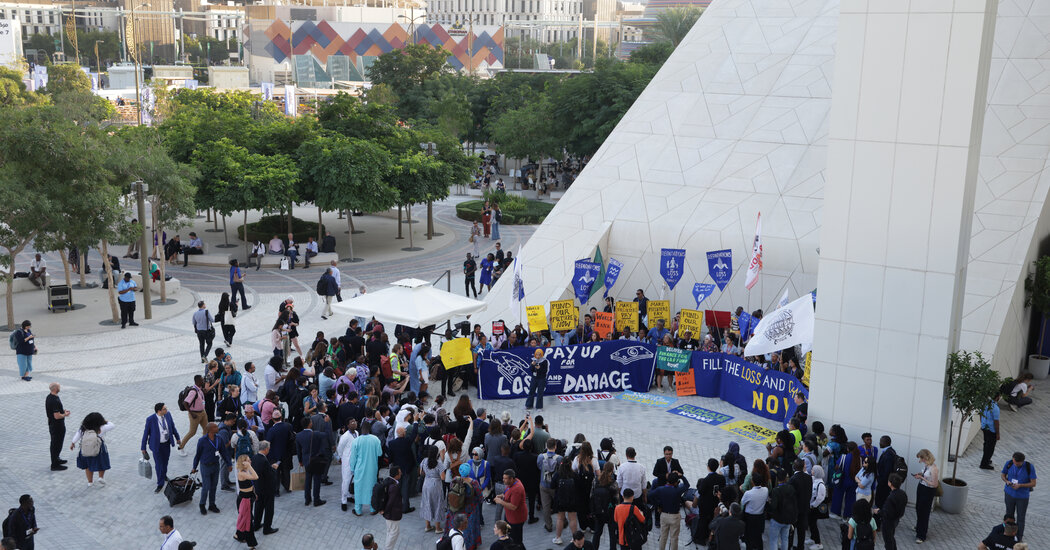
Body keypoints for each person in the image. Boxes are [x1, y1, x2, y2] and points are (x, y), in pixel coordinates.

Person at [141, 403, 182, 493]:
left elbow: (172, 427)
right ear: (159, 411)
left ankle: (163, 475)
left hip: (166, 444)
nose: (166, 410)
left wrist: (177, 438)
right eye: (164, 409)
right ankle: (160, 483)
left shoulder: (168, 415)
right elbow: (145, 434)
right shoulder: (150, 419)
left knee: (165, 461)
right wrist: (143, 448)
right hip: (157, 446)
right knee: (159, 464)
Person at [191, 422, 228, 515]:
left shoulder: (219, 439)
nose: (217, 427)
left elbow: (224, 451)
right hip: (205, 466)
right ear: (210, 430)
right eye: (215, 427)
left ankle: (212, 504)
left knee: (214, 486)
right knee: (206, 486)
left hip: (216, 465)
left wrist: (229, 464)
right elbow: (198, 454)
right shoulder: (202, 440)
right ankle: (202, 504)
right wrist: (194, 467)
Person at [649, 471, 690, 550]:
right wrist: (681, 476)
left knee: (663, 536)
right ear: (676, 482)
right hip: (675, 516)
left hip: (664, 515)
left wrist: (657, 504)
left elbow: (650, 495)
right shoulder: (678, 490)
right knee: (674, 538)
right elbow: (687, 485)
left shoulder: (660, 489)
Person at [71, 412, 114, 487]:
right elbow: (112, 425)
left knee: (88, 466)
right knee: (102, 463)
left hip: (86, 449)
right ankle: (101, 477)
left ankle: (90, 482)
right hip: (98, 449)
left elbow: (77, 436)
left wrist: (73, 443)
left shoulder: (83, 428)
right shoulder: (102, 428)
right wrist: (105, 421)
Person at [1001, 451, 1036, 540]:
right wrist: (1006, 481)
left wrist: (1020, 485)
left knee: (1021, 517)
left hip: (1022, 497)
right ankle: (1007, 533)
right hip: (1009, 493)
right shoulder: (1009, 463)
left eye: (1017, 464)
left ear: (1022, 462)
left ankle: (1018, 537)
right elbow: (1003, 475)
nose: (1015, 464)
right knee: (1009, 515)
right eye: (1014, 462)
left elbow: (1033, 483)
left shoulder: (1029, 467)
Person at [348, 426, 383, 515]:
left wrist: (352, 468)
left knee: (358, 489)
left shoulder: (356, 441)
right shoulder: (375, 439)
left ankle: (358, 510)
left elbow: (353, 458)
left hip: (359, 469)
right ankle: (372, 509)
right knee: (372, 489)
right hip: (372, 469)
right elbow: (380, 453)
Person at [295, 417, 328, 507]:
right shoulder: (316, 434)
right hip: (316, 460)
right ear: (310, 424)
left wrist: (300, 461)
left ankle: (307, 499)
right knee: (316, 480)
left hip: (306, 461)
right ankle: (316, 499)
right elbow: (326, 434)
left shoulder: (298, 435)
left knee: (307, 480)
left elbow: (298, 450)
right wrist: (326, 423)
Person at [251, 440, 279, 535]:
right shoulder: (264, 460)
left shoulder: (254, 458)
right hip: (267, 488)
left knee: (258, 506)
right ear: (266, 449)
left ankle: (256, 524)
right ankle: (267, 528)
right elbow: (270, 475)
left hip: (258, 487)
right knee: (269, 508)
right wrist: (274, 469)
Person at [912, 448, 939, 543]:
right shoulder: (927, 465)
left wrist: (922, 478)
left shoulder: (934, 468)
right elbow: (926, 475)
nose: (920, 461)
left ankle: (921, 535)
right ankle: (919, 526)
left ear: (925, 457)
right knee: (918, 507)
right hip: (921, 487)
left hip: (928, 490)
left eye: (921, 458)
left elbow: (935, 484)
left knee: (924, 511)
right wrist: (920, 475)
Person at [874, 473, 906, 550]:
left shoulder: (891, 497)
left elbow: (886, 513)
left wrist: (878, 512)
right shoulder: (902, 494)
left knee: (888, 541)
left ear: (890, 483)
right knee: (891, 537)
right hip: (896, 519)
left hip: (888, 522)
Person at [495, 469, 527, 543]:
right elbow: (508, 494)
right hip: (509, 516)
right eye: (503, 478)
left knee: (516, 541)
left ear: (511, 478)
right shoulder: (511, 483)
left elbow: (513, 506)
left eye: (505, 478)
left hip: (516, 518)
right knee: (509, 536)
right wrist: (502, 496)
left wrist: (501, 502)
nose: (503, 480)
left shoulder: (517, 489)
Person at [421, 445, 448, 532]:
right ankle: (438, 528)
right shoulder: (439, 464)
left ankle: (428, 526)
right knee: (438, 504)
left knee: (427, 503)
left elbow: (421, 472)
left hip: (426, 484)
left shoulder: (424, 461)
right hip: (436, 485)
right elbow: (443, 477)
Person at [43, 383, 68, 469]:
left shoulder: (49, 397)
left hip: (53, 424)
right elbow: (56, 416)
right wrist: (65, 414)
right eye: (59, 387)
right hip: (57, 426)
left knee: (57, 443)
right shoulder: (54, 401)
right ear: (55, 389)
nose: (60, 388)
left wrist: (62, 411)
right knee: (56, 443)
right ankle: (54, 464)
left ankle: (56, 458)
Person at [179, 375, 207, 451]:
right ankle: (181, 447)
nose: (203, 381)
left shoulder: (199, 389)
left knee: (206, 429)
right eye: (202, 380)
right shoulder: (193, 391)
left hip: (203, 412)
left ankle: (204, 445)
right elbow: (185, 403)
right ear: (198, 381)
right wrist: (191, 413)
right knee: (192, 432)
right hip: (195, 414)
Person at [807, 465, 828, 550]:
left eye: (813, 470)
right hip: (811, 506)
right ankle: (812, 538)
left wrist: (813, 505)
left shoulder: (821, 484)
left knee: (813, 525)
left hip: (814, 508)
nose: (811, 470)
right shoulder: (814, 480)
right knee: (811, 524)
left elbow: (820, 498)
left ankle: (818, 543)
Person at [384, 465, 404, 550]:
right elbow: (390, 502)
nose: (401, 474)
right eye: (400, 473)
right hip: (392, 514)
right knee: (394, 533)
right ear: (396, 475)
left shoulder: (388, 481)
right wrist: (385, 511)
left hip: (389, 514)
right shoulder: (394, 487)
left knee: (390, 532)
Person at [874, 436, 898, 508]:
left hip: (884, 484)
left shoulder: (888, 454)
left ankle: (878, 518)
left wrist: (880, 480)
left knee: (880, 502)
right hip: (884, 483)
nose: (879, 443)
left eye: (881, 441)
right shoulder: (890, 451)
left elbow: (887, 470)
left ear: (885, 442)